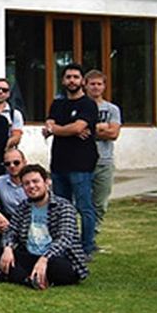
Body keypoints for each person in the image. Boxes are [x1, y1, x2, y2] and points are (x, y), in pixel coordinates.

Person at [0, 165, 89, 289]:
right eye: (26, 183)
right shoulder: (23, 207)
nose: (31, 186)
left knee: (58, 267)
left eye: (35, 181)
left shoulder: (63, 206)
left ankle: (10, 276)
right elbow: (11, 230)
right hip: (31, 256)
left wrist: (45, 258)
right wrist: (8, 248)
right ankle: (29, 280)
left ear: (47, 182)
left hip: (57, 259)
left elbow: (64, 239)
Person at [43, 64, 100, 255]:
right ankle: (65, 245)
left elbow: (77, 128)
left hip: (81, 165)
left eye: (76, 77)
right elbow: (50, 124)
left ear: (82, 81)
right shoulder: (57, 104)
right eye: (68, 77)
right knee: (61, 209)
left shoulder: (88, 104)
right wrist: (68, 129)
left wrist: (58, 130)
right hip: (59, 163)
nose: (72, 81)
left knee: (84, 207)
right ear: (63, 80)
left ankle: (87, 247)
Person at [86, 70, 122, 230]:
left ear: (104, 86)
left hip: (104, 161)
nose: (96, 87)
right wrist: (101, 128)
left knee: (100, 203)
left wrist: (89, 129)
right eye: (92, 84)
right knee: (79, 202)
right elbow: (75, 132)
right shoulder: (81, 106)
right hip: (82, 161)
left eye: (99, 84)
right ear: (85, 85)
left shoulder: (112, 109)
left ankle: (92, 235)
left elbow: (113, 133)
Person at [0, 77, 24, 149]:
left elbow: (16, 137)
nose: (0, 92)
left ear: (8, 94)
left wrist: (2, 146)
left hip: (6, 153)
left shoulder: (15, 114)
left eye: (4, 90)